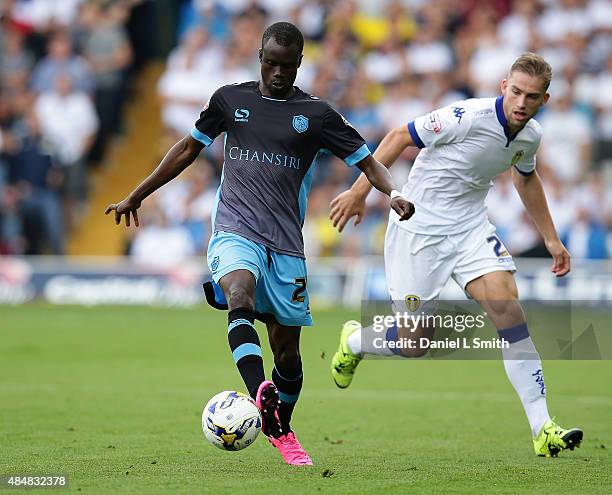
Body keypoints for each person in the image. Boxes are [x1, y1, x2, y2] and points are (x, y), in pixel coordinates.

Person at [105, 22, 413, 465]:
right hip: (235, 228)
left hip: (286, 245)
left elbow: (368, 162)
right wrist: (137, 193)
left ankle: (280, 424)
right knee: (238, 293)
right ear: (260, 57)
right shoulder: (231, 100)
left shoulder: (318, 115)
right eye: (270, 63)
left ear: (299, 64)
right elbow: (187, 149)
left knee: (287, 355)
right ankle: (260, 396)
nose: (277, 73)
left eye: (286, 66)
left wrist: (396, 193)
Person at [329, 53, 583, 458]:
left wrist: (551, 238)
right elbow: (398, 136)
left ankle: (543, 428)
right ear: (504, 86)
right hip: (418, 230)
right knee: (415, 343)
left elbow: (526, 176)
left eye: (531, 96)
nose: (521, 102)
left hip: (469, 229)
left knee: (508, 310)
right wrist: (361, 192)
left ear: (544, 99)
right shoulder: (467, 116)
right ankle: (356, 341)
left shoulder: (530, 136)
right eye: (515, 91)